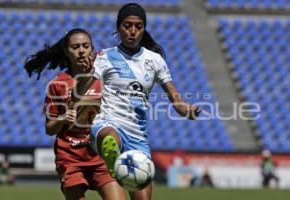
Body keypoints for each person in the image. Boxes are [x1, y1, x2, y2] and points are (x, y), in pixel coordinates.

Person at [72, 3, 201, 200]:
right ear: (118, 27)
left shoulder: (155, 60)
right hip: (107, 123)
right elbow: (79, 92)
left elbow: (175, 97)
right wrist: (87, 74)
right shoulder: (105, 57)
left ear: (144, 28)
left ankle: (120, 168)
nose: (132, 31)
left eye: (138, 26)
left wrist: (186, 110)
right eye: (127, 25)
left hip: (137, 136)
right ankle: (112, 162)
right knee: (109, 138)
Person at [24, 28, 126, 200]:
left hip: (100, 157)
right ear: (67, 51)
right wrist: (62, 119)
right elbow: (49, 129)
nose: (81, 50)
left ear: (92, 50)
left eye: (85, 46)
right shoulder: (57, 84)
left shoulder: (106, 80)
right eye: (75, 46)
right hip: (71, 159)